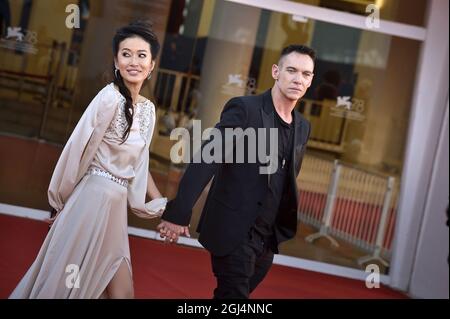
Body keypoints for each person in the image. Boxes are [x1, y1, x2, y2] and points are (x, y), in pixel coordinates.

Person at [10, 21, 166, 299]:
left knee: (122, 291)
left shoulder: (149, 111)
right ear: (116, 61)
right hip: (89, 201)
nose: (134, 61)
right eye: (126, 54)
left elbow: (140, 166)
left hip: (116, 207)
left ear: (152, 64)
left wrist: (163, 205)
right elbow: (77, 151)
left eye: (142, 55)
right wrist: (59, 201)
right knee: (65, 284)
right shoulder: (108, 98)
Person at [158, 45, 316, 298]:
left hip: (266, 239)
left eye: (306, 74)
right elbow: (206, 159)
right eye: (292, 70)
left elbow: (285, 179)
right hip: (235, 229)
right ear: (276, 72)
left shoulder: (303, 127)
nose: (299, 79)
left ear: (311, 80)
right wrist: (179, 212)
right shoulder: (245, 109)